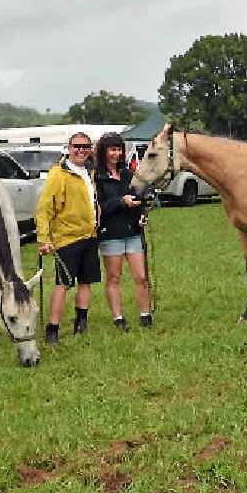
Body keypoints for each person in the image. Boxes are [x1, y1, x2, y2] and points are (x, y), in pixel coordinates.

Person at [36, 132, 101, 344]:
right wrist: (44, 239)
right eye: (77, 146)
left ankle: (81, 322)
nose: (81, 150)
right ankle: (52, 329)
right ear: (69, 148)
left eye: (85, 146)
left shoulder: (88, 172)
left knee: (85, 282)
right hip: (67, 239)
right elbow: (44, 209)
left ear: (90, 149)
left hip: (90, 235)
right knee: (63, 285)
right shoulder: (59, 174)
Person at [93, 132, 153, 330]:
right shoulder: (97, 178)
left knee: (141, 276)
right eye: (112, 149)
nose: (116, 153)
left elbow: (139, 197)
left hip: (133, 232)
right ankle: (118, 318)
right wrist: (121, 201)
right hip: (111, 234)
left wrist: (142, 213)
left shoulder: (128, 174)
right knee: (114, 277)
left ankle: (145, 314)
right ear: (103, 152)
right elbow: (99, 207)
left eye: (119, 149)